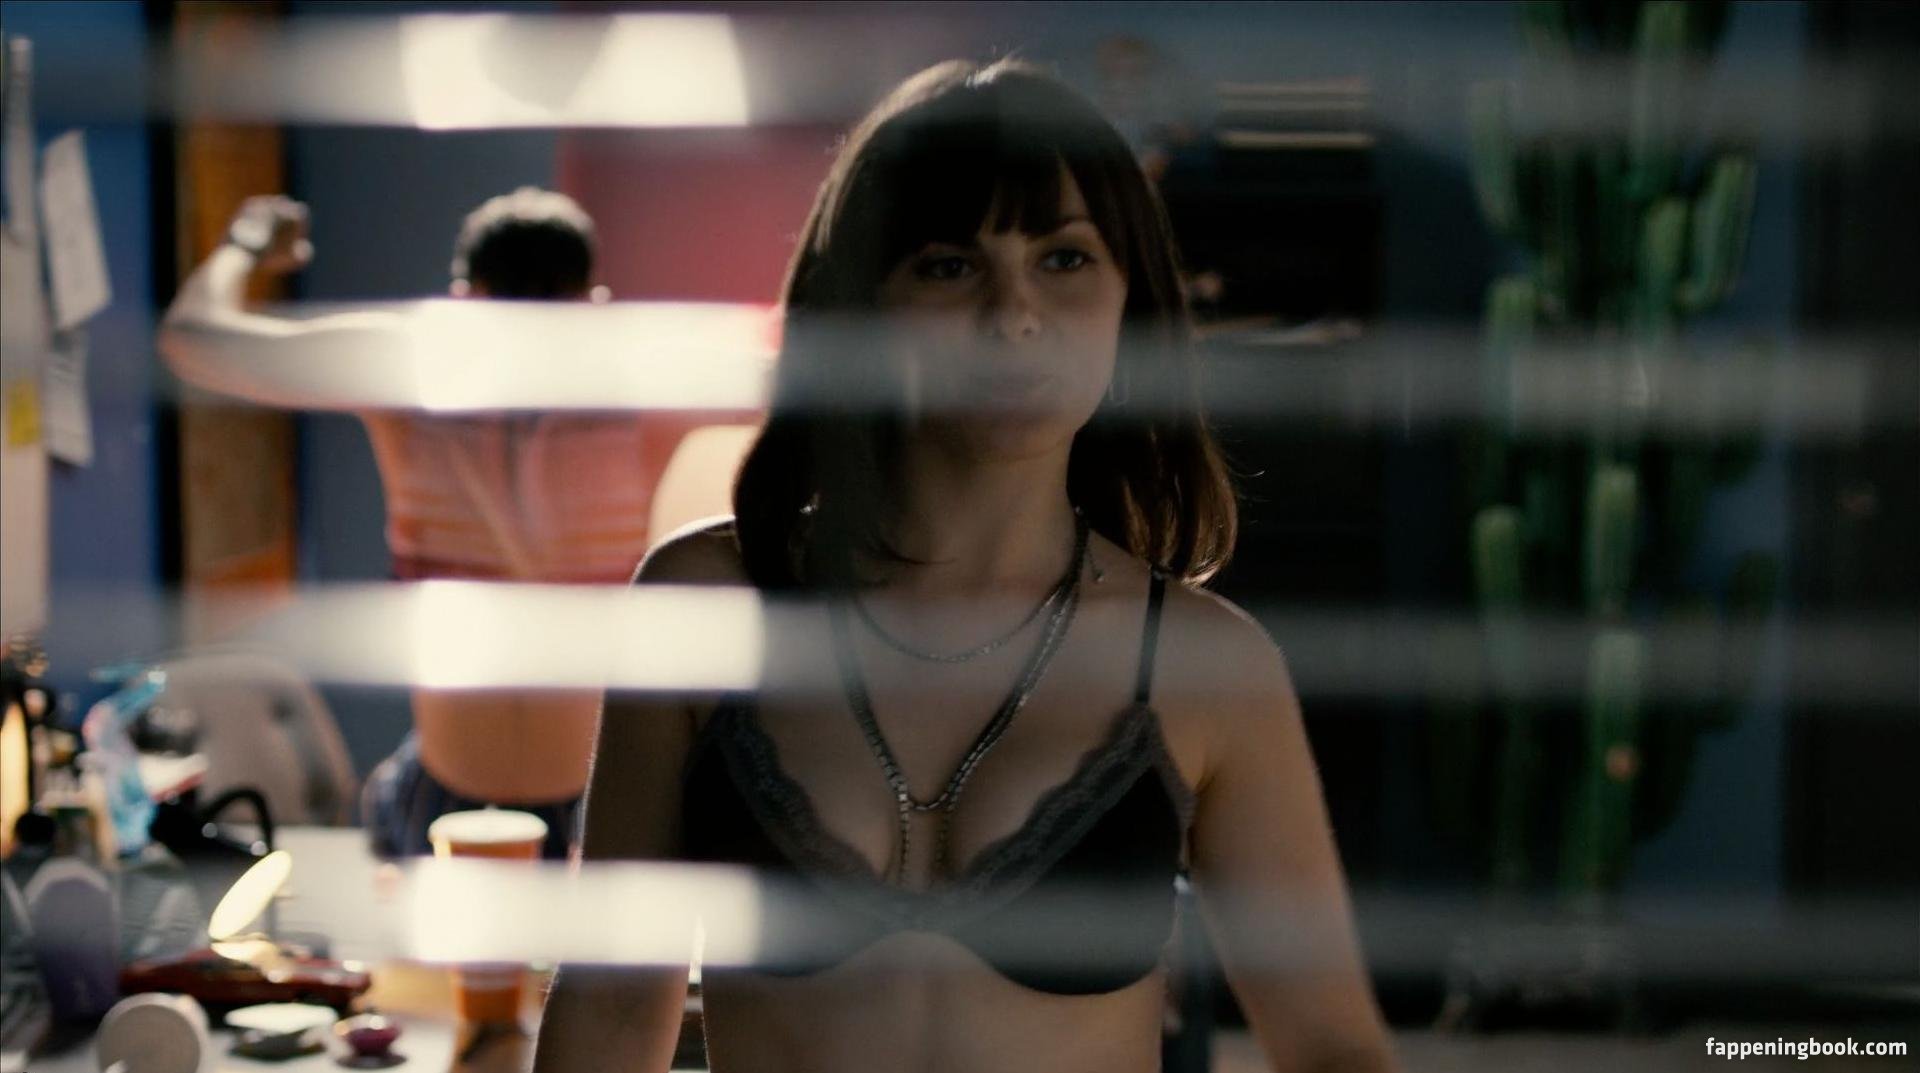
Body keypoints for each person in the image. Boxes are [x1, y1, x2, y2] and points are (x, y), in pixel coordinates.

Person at [533, 60, 1396, 1073]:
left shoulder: (1208, 666)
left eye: (1064, 258)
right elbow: (608, 1012)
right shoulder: (704, 606)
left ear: (1131, 307)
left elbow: (1334, 1049)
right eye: (950, 265)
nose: (1013, 313)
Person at [159, 188, 730, 860]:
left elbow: (191, 339)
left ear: (465, 298)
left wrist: (246, 242)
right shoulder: (643, 389)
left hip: (497, 796)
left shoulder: (412, 370)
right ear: (592, 303)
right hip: (564, 800)